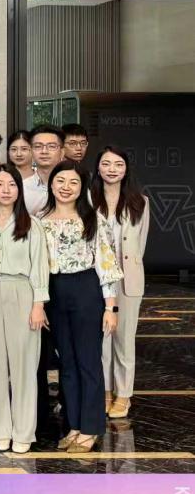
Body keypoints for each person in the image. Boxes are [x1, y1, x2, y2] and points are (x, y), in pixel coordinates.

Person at [38, 160, 122, 454]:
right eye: (60, 181)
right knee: (67, 364)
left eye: (73, 182)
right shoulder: (39, 220)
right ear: (51, 184)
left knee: (88, 361)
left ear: (82, 187)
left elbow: (107, 263)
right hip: (54, 292)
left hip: (87, 290)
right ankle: (74, 425)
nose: (66, 187)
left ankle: (91, 427)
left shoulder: (93, 219)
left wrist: (110, 308)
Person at [0, 164, 49, 454]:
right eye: (0, 184)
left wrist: (38, 305)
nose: (6, 190)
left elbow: (40, 266)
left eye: (12, 185)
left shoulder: (31, 224)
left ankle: (23, 431)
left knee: (24, 366)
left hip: (23, 292)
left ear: (19, 190)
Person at [91, 146, 150, 419]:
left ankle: (124, 394)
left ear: (126, 169)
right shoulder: (89, 199)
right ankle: (104, 391)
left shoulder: (140, 202)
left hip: (128, 280)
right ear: (98, 168)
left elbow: (140, 244)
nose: (112, 169)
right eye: (106, 164)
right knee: (101, 337)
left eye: (118, 164)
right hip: (97, 279)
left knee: (125, 338)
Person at [24, 125, 64, 215]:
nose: (44, 151)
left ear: (62, 152)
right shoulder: (22, 188)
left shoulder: (75, 187)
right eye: (38, 146)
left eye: (51, 146)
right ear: (31, 152)